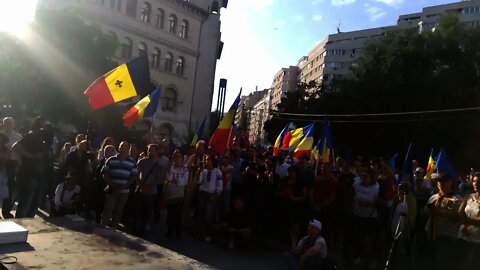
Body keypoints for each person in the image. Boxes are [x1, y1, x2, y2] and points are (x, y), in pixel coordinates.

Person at [425, 172, 462, 270]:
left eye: (443, 181)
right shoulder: (433, 197)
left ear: (450, 183)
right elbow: (424, 213)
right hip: (431, 234)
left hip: (446, 237)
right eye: (438, 181)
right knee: (431, 263)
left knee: (442, 264)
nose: (440, 183)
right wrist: (428, 212)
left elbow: (458, 219)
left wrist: (441, 213)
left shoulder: (456, 199)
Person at [14, 116, 48, 218]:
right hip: (29, 174)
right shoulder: (30, 136)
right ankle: (19, 226)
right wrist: (32, 156)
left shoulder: (44, 139)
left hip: (39, 174)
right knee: (25, 203)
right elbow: (15, 147)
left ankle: (29, 226)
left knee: (34, 204)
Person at [101, 141, 138, 229]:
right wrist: (110, 183)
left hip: (124, 191)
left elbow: (134, 176)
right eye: (122, 146)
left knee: (118, 212)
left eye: (126, 146)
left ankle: (114, 229)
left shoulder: (132, 162)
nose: (123, 148)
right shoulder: (111, 159)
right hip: (112, 189)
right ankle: (102, 229)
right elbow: (104, 172)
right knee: (107, 211)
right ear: (119, 147)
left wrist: (126, 185)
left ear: (128, 149)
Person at [134, 144, 161, 236]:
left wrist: (150, 188)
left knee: (147, 211)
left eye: (152, 150)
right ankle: (135, 228)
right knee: (137, 210)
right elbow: (136, 174)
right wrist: (141, 186)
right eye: (149, 150)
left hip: (151, 192)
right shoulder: (141, 162)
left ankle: (142, 229)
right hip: (141, 190)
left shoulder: (158, 164)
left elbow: (158, 178)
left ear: (156, 151)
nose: (150, 152)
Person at [196, 154, 223, 242]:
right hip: (202, 193)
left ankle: (208, 233)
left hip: (211, 195)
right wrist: (198, 172)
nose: (207, 162)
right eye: (206, 160)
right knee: (201, 213)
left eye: (209, 160)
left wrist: (216, 194)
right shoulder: (204, 171)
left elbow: (219, 184)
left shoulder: (217, 171)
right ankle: (201, 233)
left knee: (209, 214)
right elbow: (198, 181)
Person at [457, 172, 480, 269]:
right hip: (462, 236)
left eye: (479, 182)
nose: (475, 184)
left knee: (471, 265)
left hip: (476, 239)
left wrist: (467, 221)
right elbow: (460, 213)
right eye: (474, 181)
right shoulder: (468, 197)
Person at [1, 117, 21, 219]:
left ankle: (6, 211)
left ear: (14, 124)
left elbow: (19, 154)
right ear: (3, 124)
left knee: (9, 189)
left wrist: (18, 166)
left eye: (10, 123)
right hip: (1, 162)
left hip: (12, 163)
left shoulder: (18, 136)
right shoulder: (0, 134)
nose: (8, 125)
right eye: (6, 123)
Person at [165, 150, 188, 238]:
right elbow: (168, 177)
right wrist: (172, 180)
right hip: (170, 194)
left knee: (178, 215)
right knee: (170, 214)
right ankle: (169, 230)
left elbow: (184, 181)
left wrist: (175, 181)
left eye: (179, 156)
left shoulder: (185, 168)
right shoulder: (171, 167)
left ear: (182, 158)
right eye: (176, 156)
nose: (177, 158)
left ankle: (178, 231)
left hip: (179, 195)